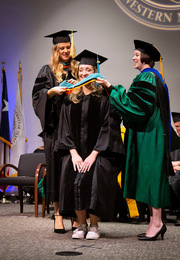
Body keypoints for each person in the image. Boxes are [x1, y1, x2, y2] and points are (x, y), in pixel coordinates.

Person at [97, 40, 172, 241]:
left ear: (146, 58)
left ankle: (157, 222)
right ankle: (154, 222)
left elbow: (137, 108)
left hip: (150, 135)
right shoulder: (152, 77)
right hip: (149, 133)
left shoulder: (147, 76)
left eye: (137, 54)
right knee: (149, 177)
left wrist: (110, 87)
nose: (133, 57)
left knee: (153, 177)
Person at [55, 49, 125, 239]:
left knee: (96, 175)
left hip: (99, 152)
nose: (84, 73)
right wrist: (73, 153)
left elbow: (108, 127)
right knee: (71, 171)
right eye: (82, 69)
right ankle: (81, 225)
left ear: (96, 71)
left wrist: (93, 155)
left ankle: (94, 226)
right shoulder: (71, 96)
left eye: (89, 69)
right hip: (75, 150)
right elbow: (64, 127)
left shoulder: (103, 97)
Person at [32, 30, 79, 233]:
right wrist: (52, 91)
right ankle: (58, 214)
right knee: (56, 172)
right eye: (62, 48)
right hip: (55, 130)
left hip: (75, 129)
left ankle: (77, 215)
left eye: (68, 47)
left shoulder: (78, 68)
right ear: (55, 50)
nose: (65, 51)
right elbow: (37, 96)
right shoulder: (47, 70)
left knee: (74, 172)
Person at [170, 112, 180, 226]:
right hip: (174, 169)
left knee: (177, 178)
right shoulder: (173, 140)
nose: (177, 129)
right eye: (176, 126)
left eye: (179, 127)